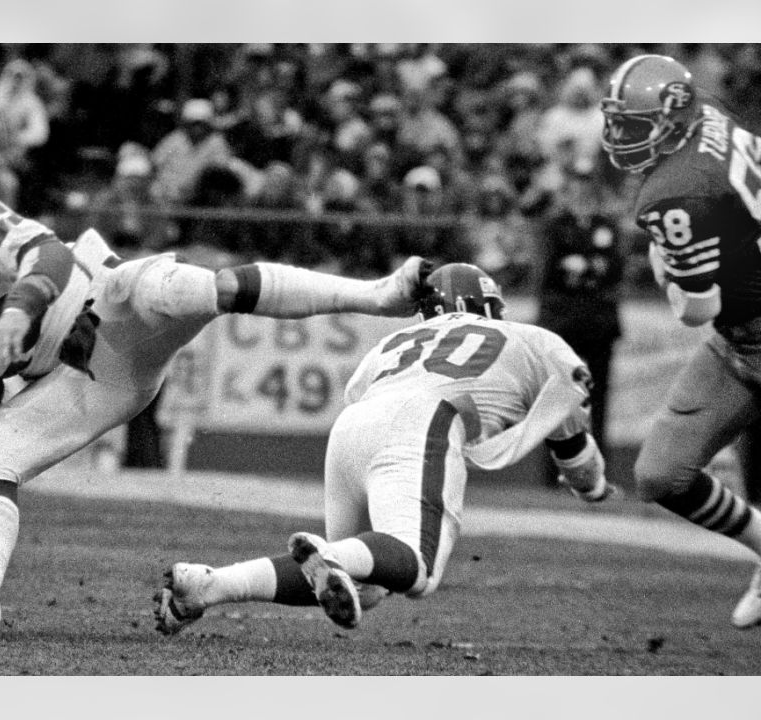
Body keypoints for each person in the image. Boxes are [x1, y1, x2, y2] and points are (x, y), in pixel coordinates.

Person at [0, 180, 433, 633]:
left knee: (163, 285)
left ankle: (376, 295)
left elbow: (49, 255)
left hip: (102, 305)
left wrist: (18, 309)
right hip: (87, 378)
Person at [154, 263, 611, 635]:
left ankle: (208, 587)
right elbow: (573, 447)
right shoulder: (533, 339)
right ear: (488, 304)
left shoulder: (394, 341)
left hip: (352, 427)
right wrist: (593, 489)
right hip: (424, 421)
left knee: (365, 586)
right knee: (416, 567)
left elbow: (357, 396)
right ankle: (329, 557)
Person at [600, 54, 761, 629]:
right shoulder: (707, 113)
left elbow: (696, 309)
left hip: (739, 325)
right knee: (661, 475)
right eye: (617, 120)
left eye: (634, 123)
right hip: (741, 336)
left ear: (672, 116)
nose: (620, 136)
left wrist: (663, 264)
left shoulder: (677, 192)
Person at [534, 164, 624, 463]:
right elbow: (548, 272)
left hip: (599, 319)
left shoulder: (606, 225)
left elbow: (615, 269)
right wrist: (587, 269)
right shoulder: (555, 225)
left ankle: (599, 466)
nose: (581, 190)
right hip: (563, 319)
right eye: (577, 183)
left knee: (598, 396)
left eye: (587, 183)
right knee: (558, 395)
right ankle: (555, 468)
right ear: (567, 187)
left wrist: (580, 268)